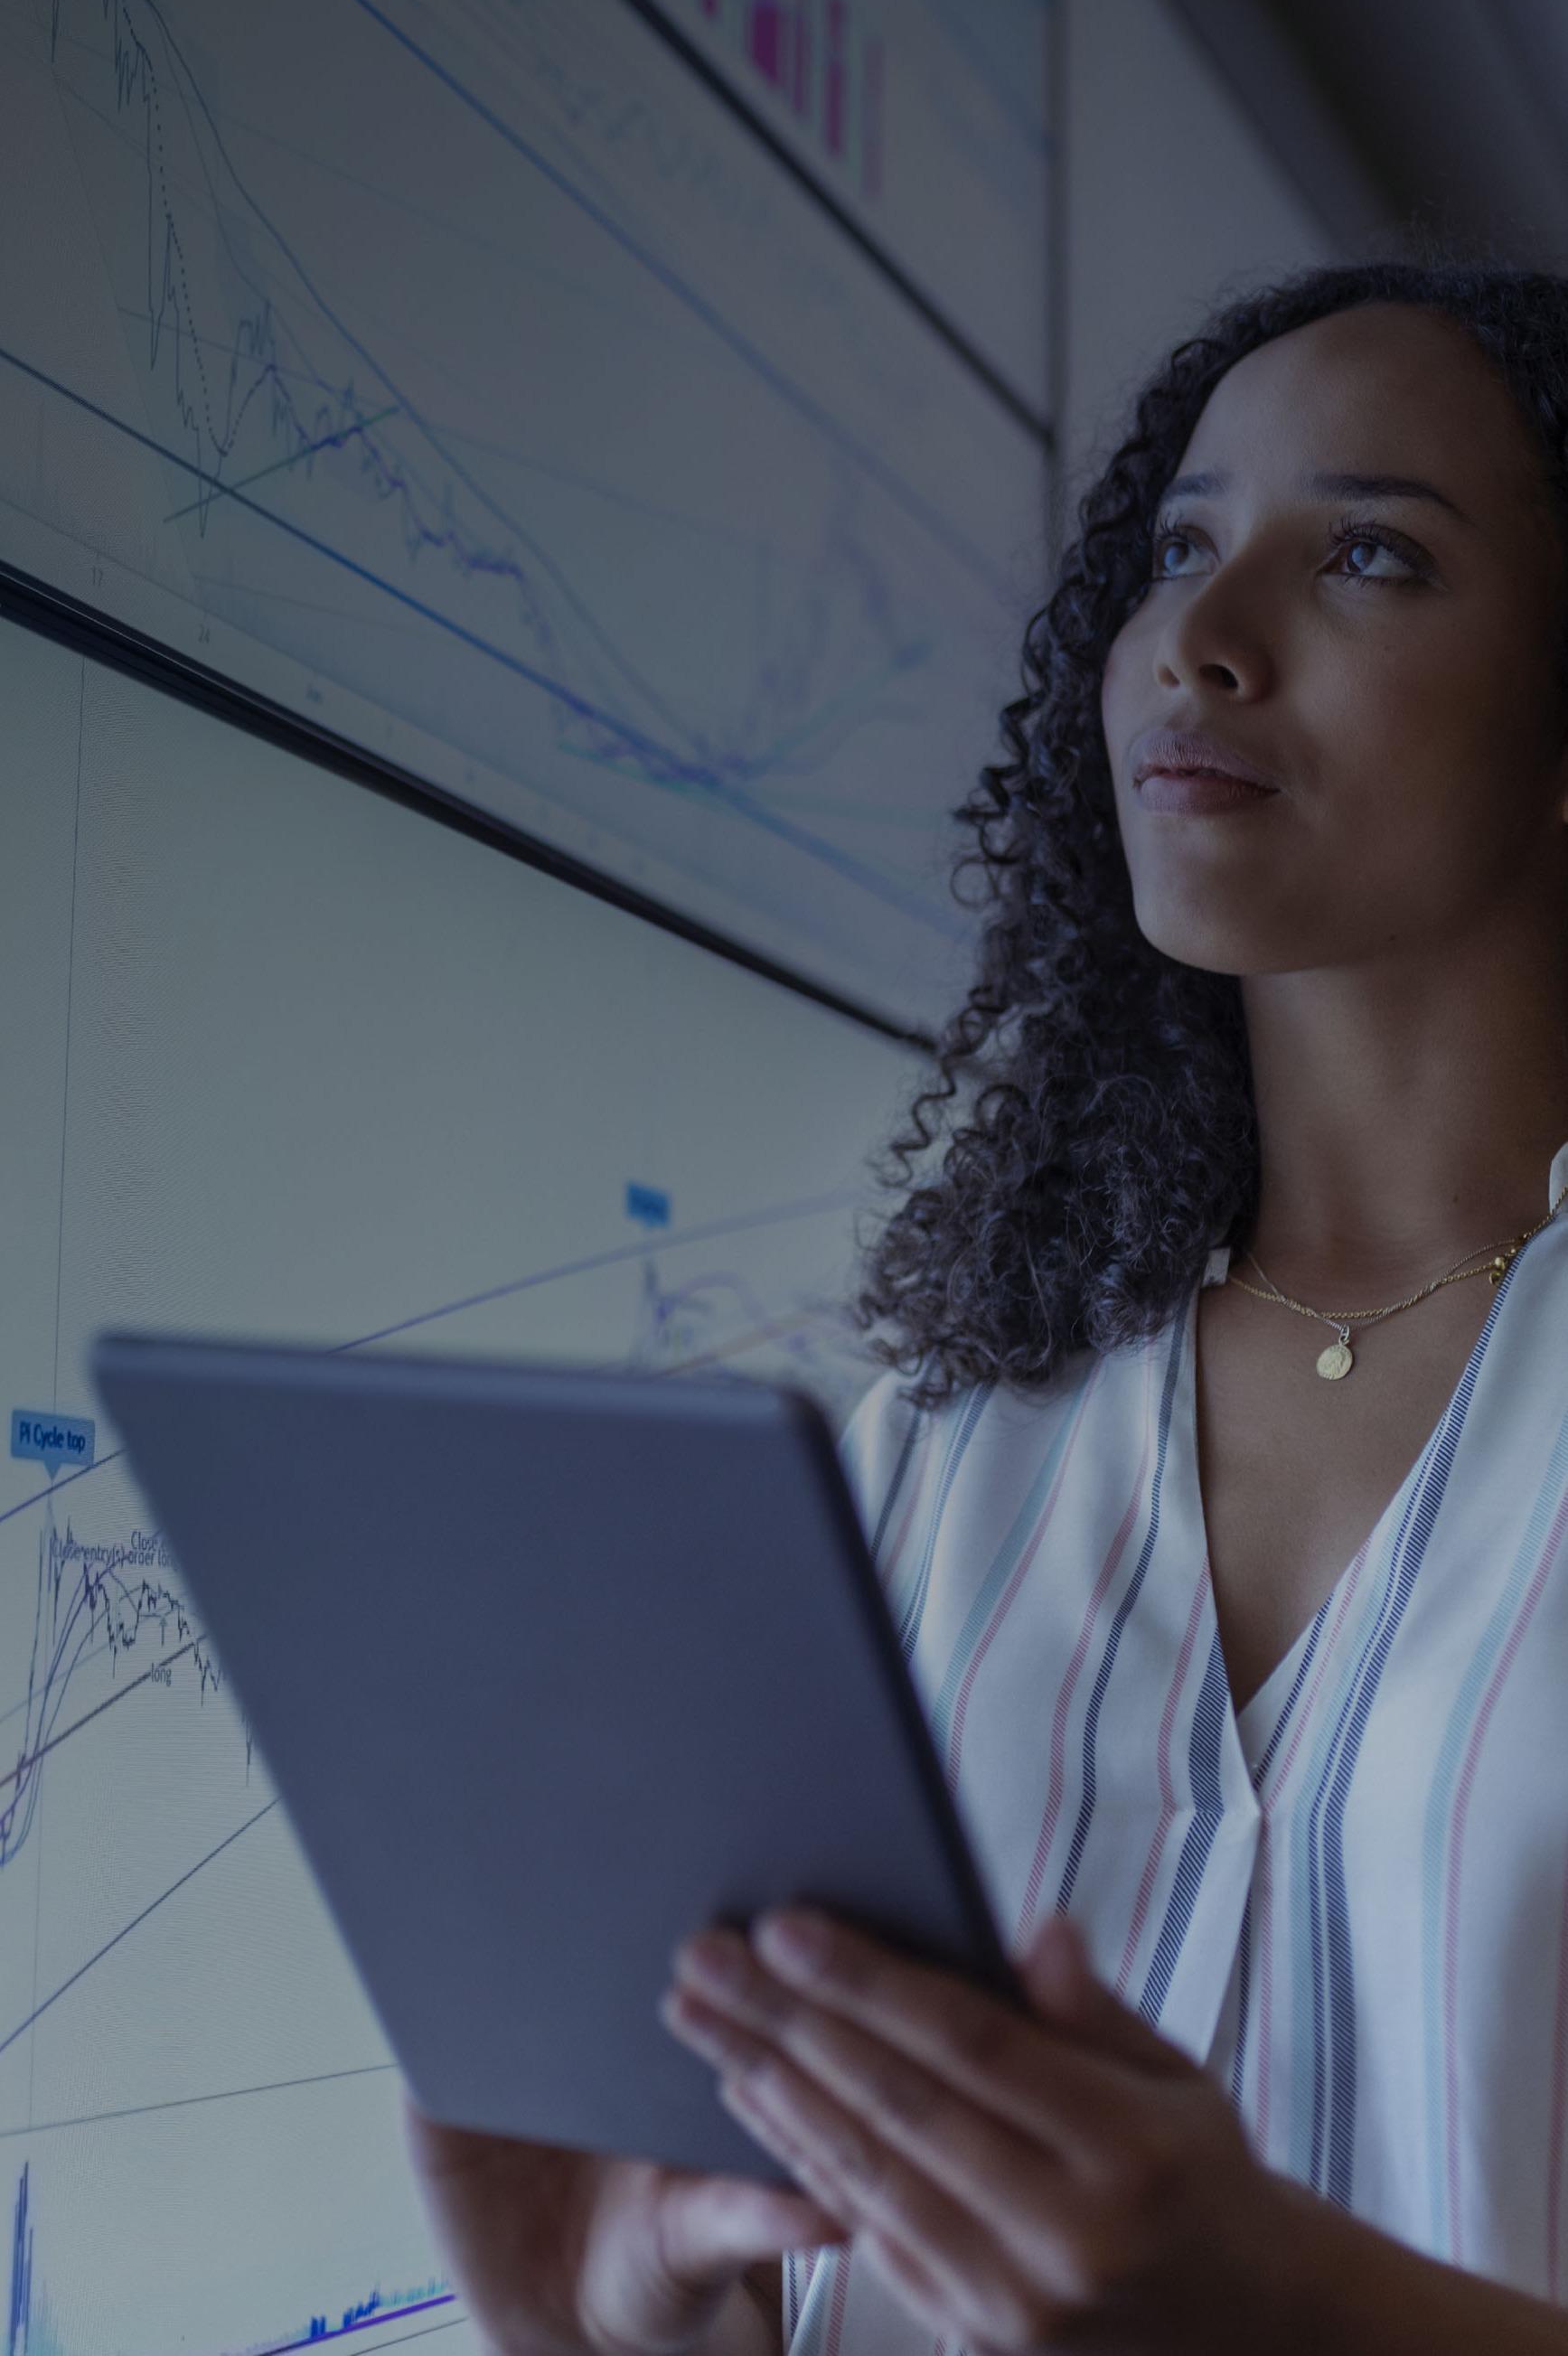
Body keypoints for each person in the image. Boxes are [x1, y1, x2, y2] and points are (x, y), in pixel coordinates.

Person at [408, 259, 1568, 2352]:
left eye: (1369, 555)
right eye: (1178, 551)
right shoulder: (939, 1456)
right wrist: (626, 2322)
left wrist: (1304, 2308)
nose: (1199, 641)